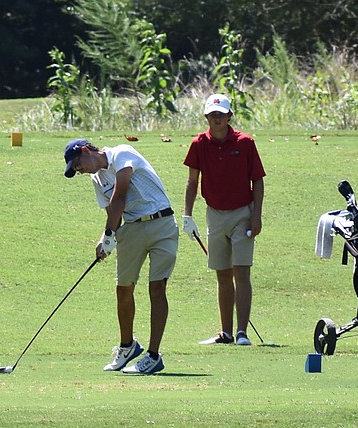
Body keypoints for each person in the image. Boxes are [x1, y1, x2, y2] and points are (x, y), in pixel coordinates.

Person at [63, 138, 178, 374]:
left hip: (162, 223)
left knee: (157, 288)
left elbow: (120, 196)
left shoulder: (121, 154)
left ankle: (154, 356)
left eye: (78, 164)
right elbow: (111, 211)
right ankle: (128, 347)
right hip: (132, 228)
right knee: (123, 288)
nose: (80, 170)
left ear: (86, 150)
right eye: (76, 170)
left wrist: (108, 234)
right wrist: (107, 239)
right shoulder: (97, 179)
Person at [182, 94, 266, 346]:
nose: (216, 118)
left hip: (243, 212)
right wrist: (187, 214)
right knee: (222, 273)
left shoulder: (245, 142)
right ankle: (226, 332)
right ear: (206, 116)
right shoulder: (199, 143)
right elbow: (192, 181)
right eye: (212, 114)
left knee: (241, 271)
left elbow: (258, 181)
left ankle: (242, 332)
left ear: (229, 116)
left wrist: (256, 216)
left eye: (221, 114)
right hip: (214, 213)